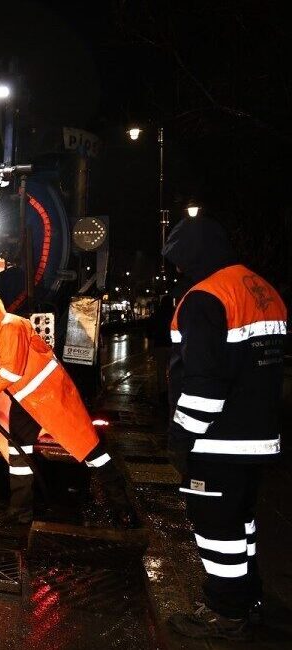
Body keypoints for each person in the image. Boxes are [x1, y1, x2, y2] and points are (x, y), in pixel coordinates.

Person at [161, 216, 286, 641]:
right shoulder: (262, 290)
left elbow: (204, 382)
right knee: (241, 523)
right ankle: (248, 598)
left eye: (179, 262)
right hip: (257, 438)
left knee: (215, 528)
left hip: (217, 441)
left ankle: (225, 611)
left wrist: (182, 435)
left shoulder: (205, 298)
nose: (179, 271)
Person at [0, 292, 136, 528]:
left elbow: (10, 373)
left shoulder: (12, 326)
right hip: (22, 401)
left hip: (52, 397)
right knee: (18, 452)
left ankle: (124, 508)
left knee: (91, 451)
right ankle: (20, 512)